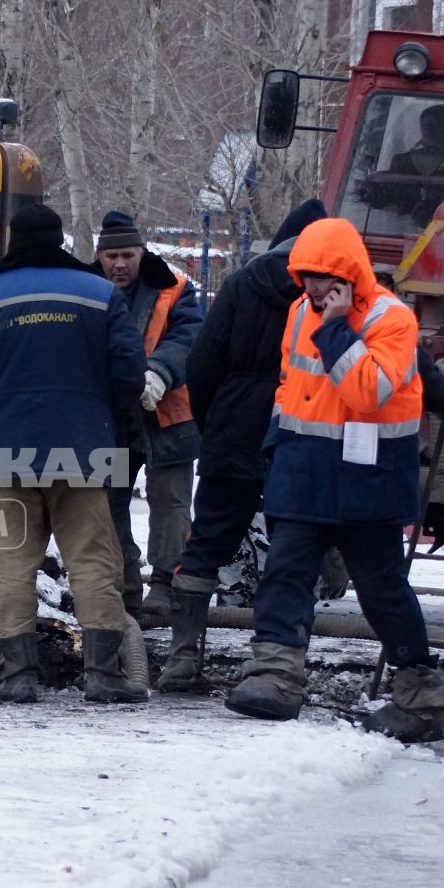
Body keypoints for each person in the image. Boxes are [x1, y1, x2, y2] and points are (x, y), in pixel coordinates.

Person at [224, 216, 444, 742]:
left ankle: (420, 700)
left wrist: (334, 329)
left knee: (382, 590)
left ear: (349, 274)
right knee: (285, 573)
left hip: (368, 479)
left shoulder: (392, 320)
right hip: (304, 468)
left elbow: (367, 392)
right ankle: (274, 678)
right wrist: (277, 447)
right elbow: (292, 386)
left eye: (323, 276)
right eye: (306, 275)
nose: (312, 287)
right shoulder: (296, 312)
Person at [0, 204, 149, 705]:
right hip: (85, 451)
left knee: (13, 566)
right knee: (94, 561)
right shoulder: (101, 295)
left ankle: (17, 678)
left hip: (8, 452)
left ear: (12, 242)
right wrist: (103, 420)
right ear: (61, 242)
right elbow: (129, 371)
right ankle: (102, 675)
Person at [156, 198, 327, 692]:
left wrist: (216, 425)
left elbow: (204, 361)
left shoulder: (241, 283)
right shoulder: (334, 292)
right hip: (299, 430)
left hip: (233, 426)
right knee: (293, 550)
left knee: (206, 542)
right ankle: (277, 664)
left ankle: (181, 658)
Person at [92, 210, 202, 629]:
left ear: (142, 252)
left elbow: (188, 337)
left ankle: (165, 584)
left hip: (167, 416)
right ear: (100, 256)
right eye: (112, 255)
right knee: (107, 504)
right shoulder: (87, 288)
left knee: (171, 503)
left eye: (128, 255)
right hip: (111, 420)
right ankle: (123, 588)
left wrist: (159, 370)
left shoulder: (174, 288)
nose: (120, 264)